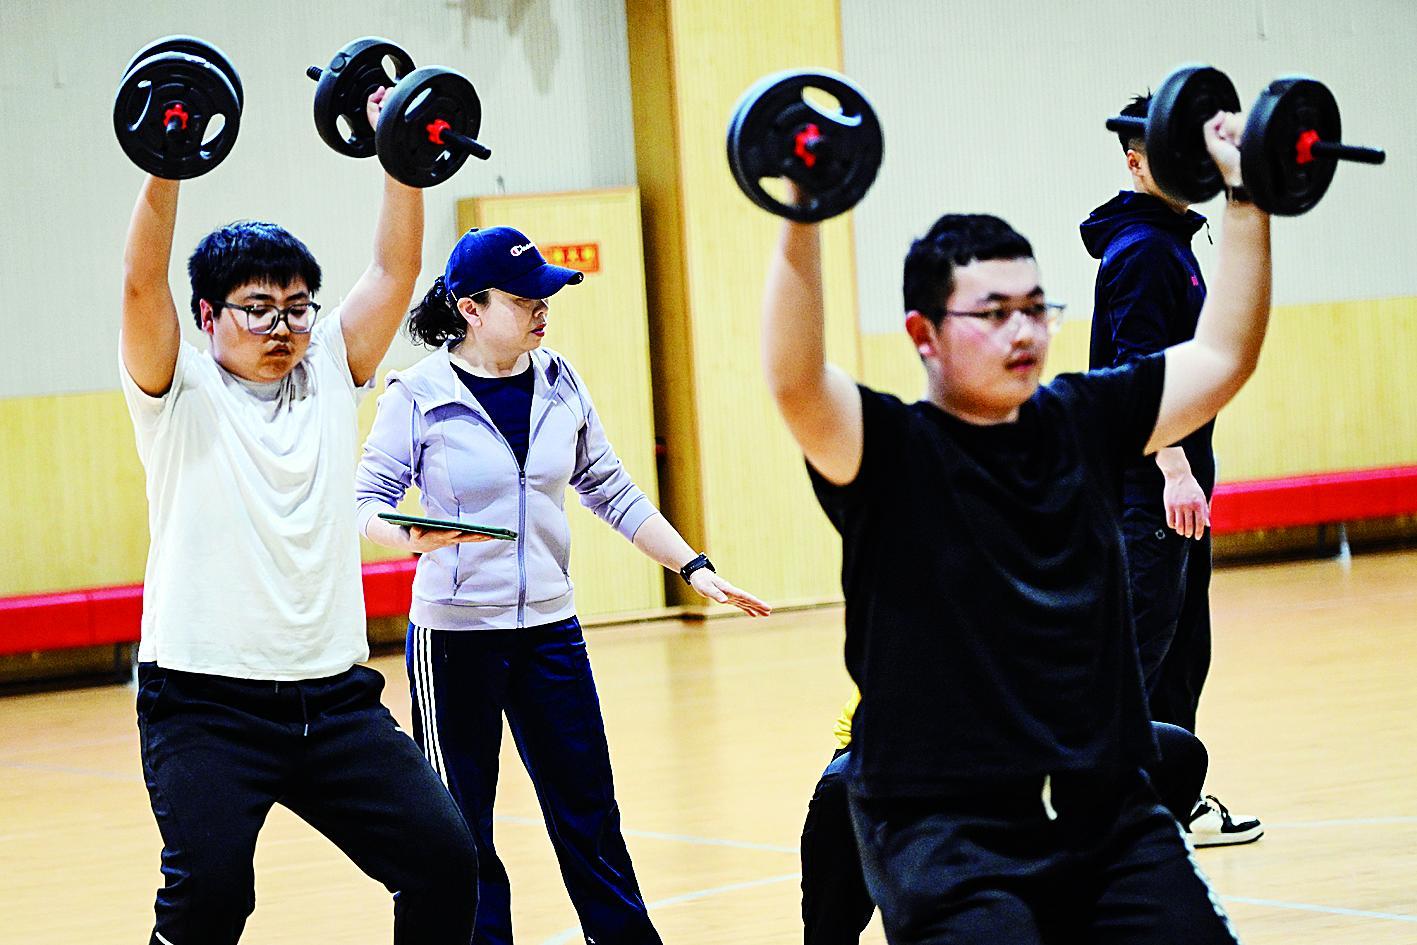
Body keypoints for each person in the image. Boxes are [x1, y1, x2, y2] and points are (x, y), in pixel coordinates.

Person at [762, 110, 1269, 943]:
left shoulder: (1085, 419)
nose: (1023, 330)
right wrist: (805, 209)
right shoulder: (886, 451)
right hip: (944, 832)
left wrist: (1247, 194)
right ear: (922, 334)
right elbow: (794, 379)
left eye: (1035, 307)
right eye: (992, 312)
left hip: (1106, 818)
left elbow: (1222, 359)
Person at [120, 90, 478, 944]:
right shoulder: (178, 390)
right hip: (204, 703)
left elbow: (393, 273)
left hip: (334, 703)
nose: (281, 326)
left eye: (297, 305)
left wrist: (400, 155)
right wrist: (167, 163)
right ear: (208, 315)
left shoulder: (325, 375)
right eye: (256, 307)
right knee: (210, 899)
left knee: (441, 861)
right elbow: (141, 282)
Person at [354, 224, 770, 945]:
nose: (543, 307)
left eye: (546, 294)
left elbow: (611, 488)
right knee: (461, 828)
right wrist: (411, 535)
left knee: (588, 811)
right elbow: (366, 502)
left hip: (550, 631)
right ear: (471, 308)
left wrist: (693, 566)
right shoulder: (416, 395)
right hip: (453, 640)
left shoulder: (560, 380)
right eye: (525, 298)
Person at [1082, 92, 1262, 846]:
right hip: (1147, 487)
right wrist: (1173, 469)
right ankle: (1114, 821)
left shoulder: (1168, 242)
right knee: (1140, 657)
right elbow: (1138, 371)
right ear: (1134, 160)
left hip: (1171, 481)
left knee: (1181, 652)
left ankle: (1168, 803)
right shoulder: (1143, 252)